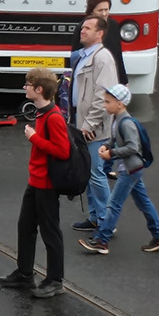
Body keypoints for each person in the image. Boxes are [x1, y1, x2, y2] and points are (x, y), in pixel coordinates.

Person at [0, 68, 71, 299]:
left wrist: (34, 138)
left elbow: (62, 151)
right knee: (25, 226)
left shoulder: (53, 117)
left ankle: (55, 280)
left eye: (27, 85)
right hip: (36, 180)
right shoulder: (42, 113)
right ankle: (25, 273)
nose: (25, 88)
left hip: (47, 184)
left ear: (39, 89)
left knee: (50, 232)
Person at [78, 84, 159, 255]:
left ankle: (102, 240)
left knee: (113, 204)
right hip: (132, 168)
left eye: (108, 102)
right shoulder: (117, 119)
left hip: (130, 169)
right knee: (143, 202)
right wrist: (107, 146)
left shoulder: (126, 123)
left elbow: (133, 147)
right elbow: (115, 139)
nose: (104, 105)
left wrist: (111, 153)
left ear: (120, 103)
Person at [68, 14, 120, 235]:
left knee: (95, 173)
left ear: (100, 34)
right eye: (82, 27)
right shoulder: (85, 56)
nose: (83, 30)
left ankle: (107, 221)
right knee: (87, 171)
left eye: (88, 28)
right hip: (81, 124)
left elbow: (103, 96)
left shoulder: (102, 58)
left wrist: (88, 124)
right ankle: (95, 217)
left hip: (93, 128)